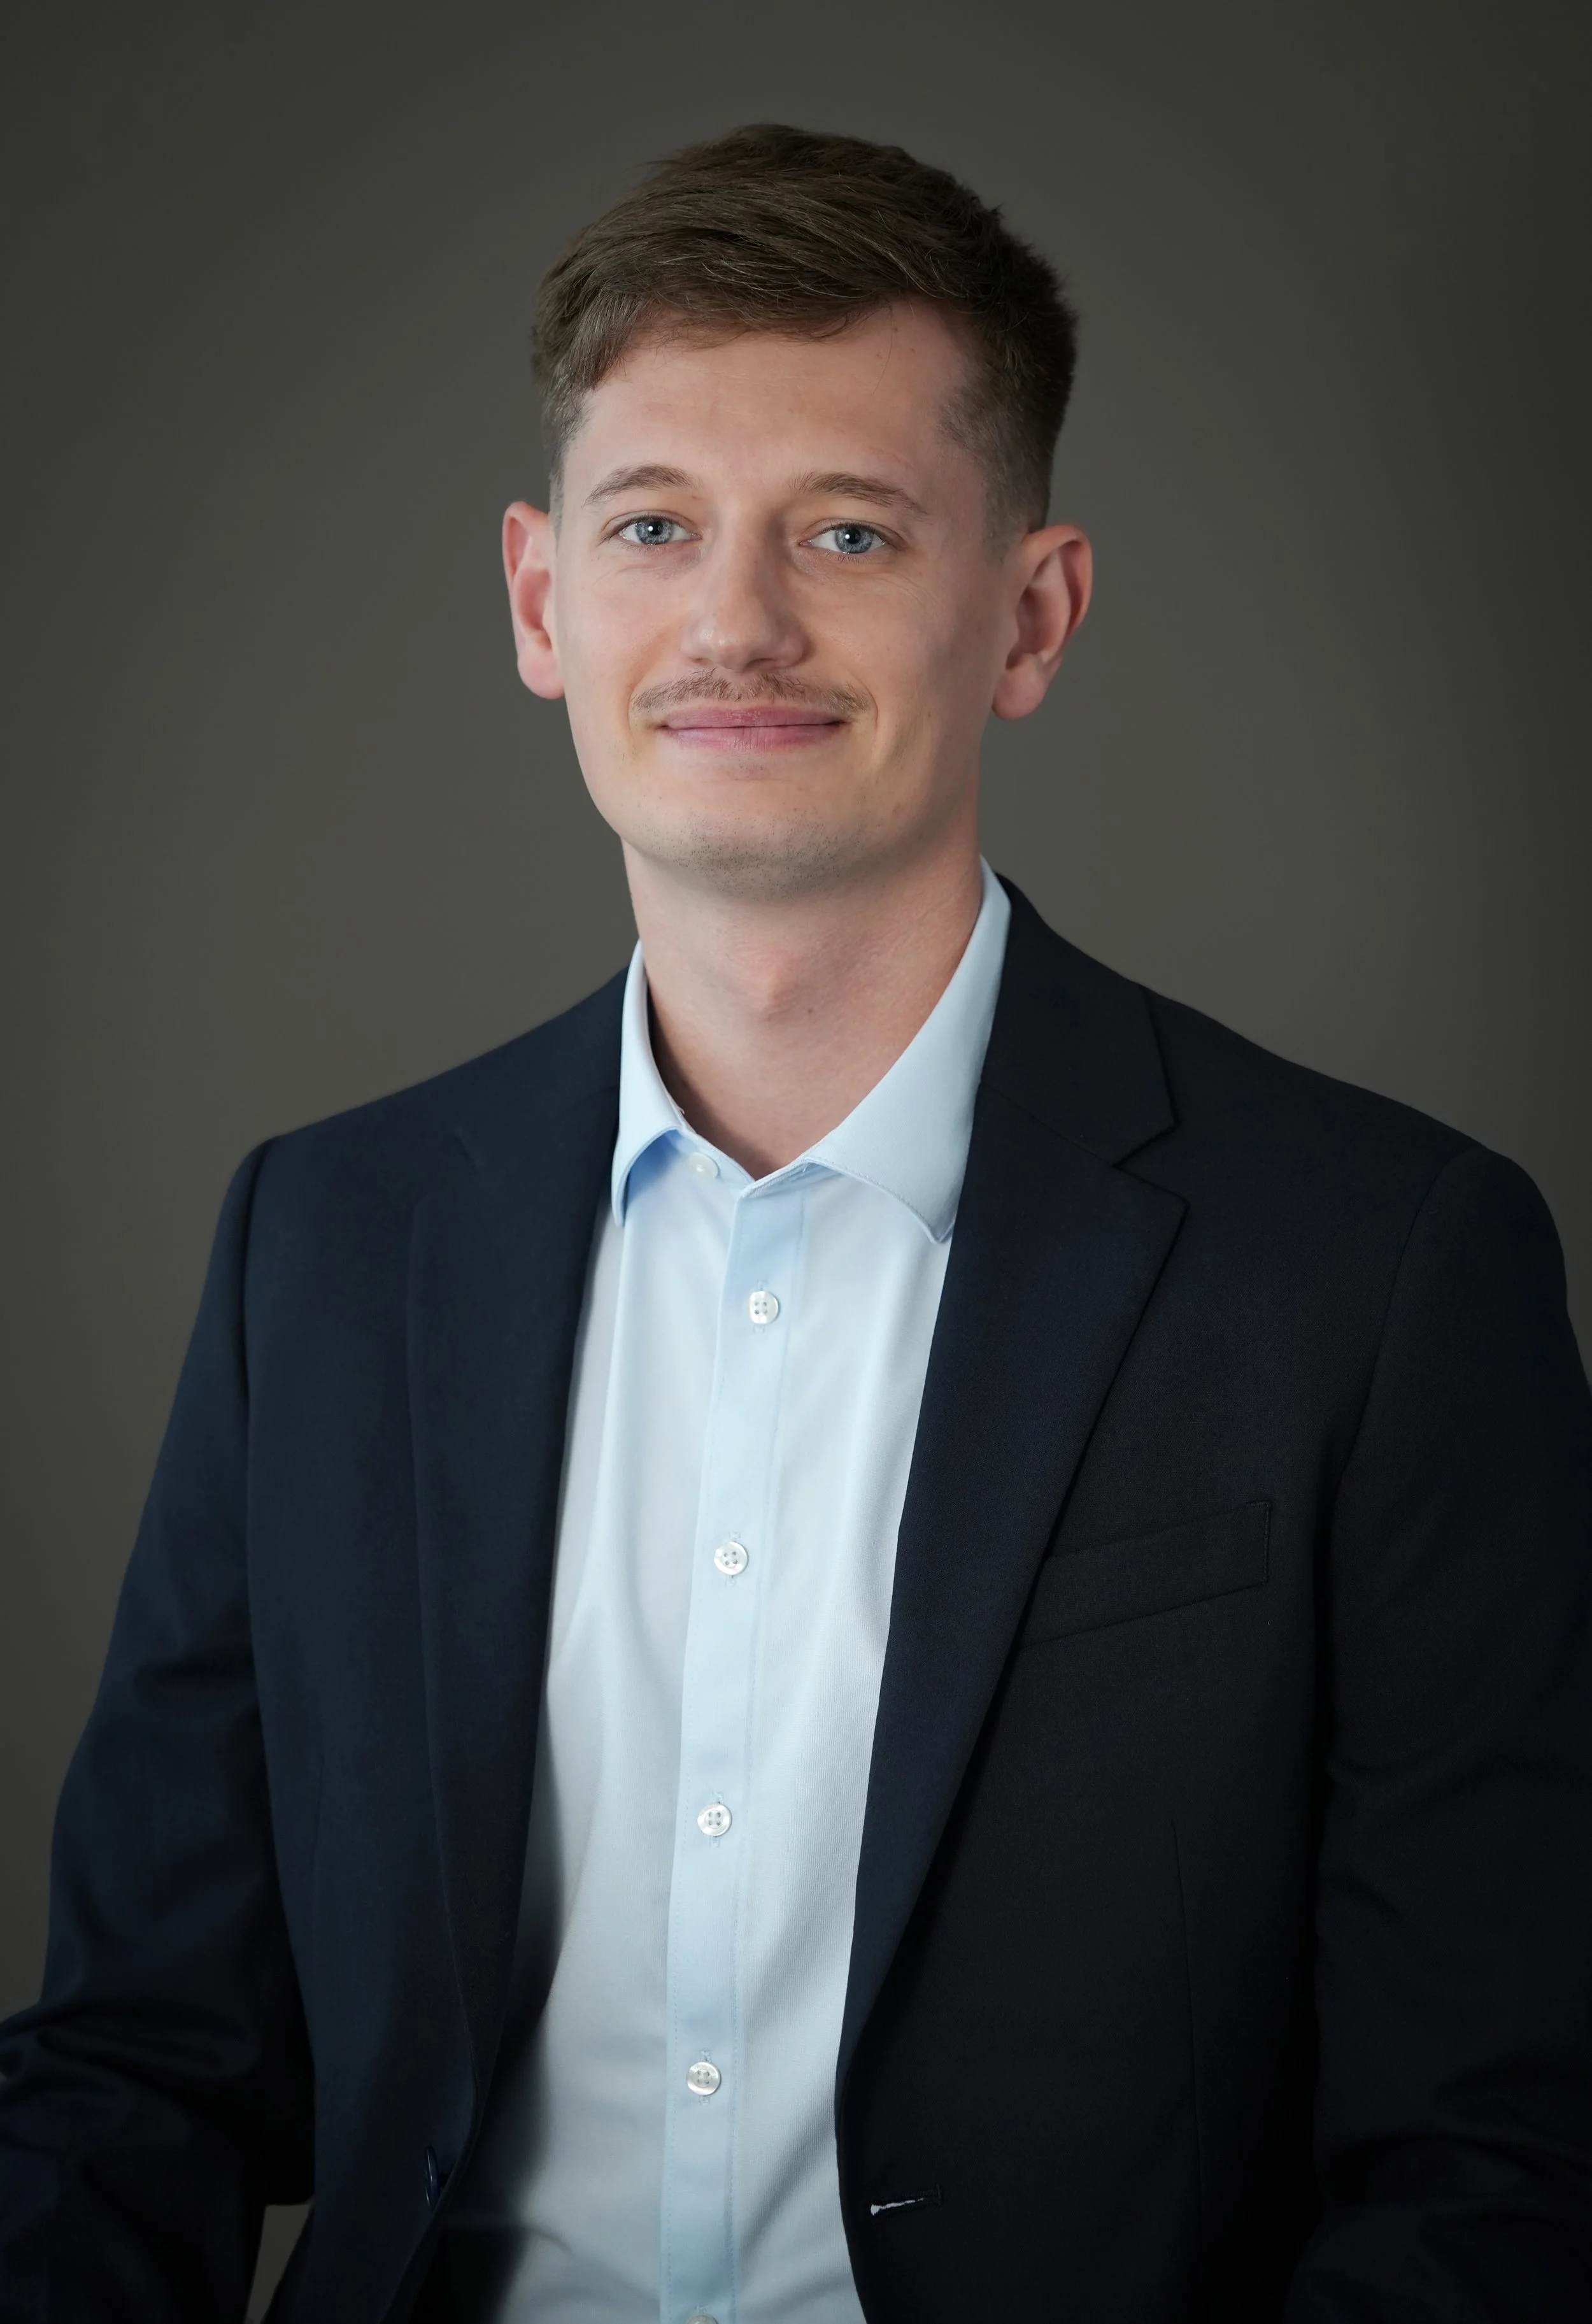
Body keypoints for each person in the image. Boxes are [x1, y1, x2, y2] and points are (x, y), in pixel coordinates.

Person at [3, 121, 1590, 2324]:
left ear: (1028, 615)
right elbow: (138, 2071)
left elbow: (1490, 2152)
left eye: (847, 530)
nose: (734, 623)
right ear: (543, 604)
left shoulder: (1382, 1267)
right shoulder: (326, 1247)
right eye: (653, 526)